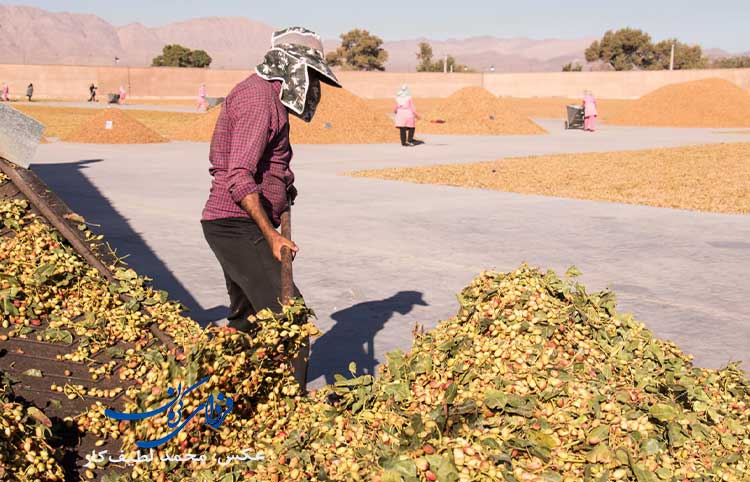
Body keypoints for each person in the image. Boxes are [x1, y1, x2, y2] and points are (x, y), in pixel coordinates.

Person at [201, 27, 341, 392]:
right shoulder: (258, 100)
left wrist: (283, 184)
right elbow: (239, 176)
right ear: (292, 68)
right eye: (311, 77)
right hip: (238, 224)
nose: (314, 88)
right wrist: (272, 233)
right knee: (291, 318)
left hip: (237, 223)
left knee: (247, 318)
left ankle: (231, 389)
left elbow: (266, 165)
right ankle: (290, 405)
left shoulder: (271, 99)